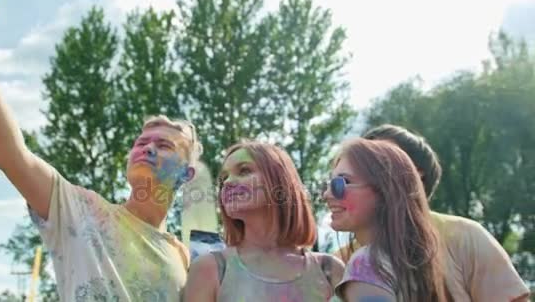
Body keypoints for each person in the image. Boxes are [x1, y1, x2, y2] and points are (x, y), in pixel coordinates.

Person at [0, 0, 202, 301]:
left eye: (164, 145)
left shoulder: (187, 260)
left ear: (187, 174)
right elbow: (12, 156)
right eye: (141, 143)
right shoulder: (80, 212)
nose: (148, 148)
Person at [350, 124, 530, 302]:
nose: (368, 171)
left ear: (415, 174)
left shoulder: (466, 236)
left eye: (381, 160)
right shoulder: (344, 260)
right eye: (362, 164)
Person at [184, 141, 345, 301]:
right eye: (224, 177)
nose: (227, 182)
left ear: (280, 181)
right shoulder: (209, 269)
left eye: (244, 170)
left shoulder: (329, 270)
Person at [324, 138, 448, 301]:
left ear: (385, 191)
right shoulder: (416, 262)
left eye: (341, 182)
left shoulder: (366, 264)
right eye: (327, 185)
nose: (326, 195)